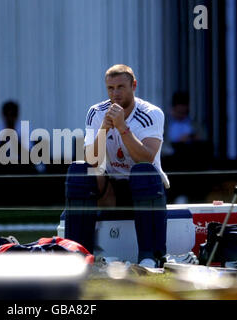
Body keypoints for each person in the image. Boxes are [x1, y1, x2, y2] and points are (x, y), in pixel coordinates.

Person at [64, 64, 170, 268]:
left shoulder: (152, 113)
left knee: (142, 171)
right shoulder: (96, 113)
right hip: (110, 191)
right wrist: (104, 128)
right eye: (110, 88)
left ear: (134, 85)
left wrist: (122, 128)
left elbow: (146, 158)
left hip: (147, 189)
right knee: (79, 170)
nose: (115, 93)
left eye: (121, 87)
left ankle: (150, 256)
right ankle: (78, 255)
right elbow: (91, 159)